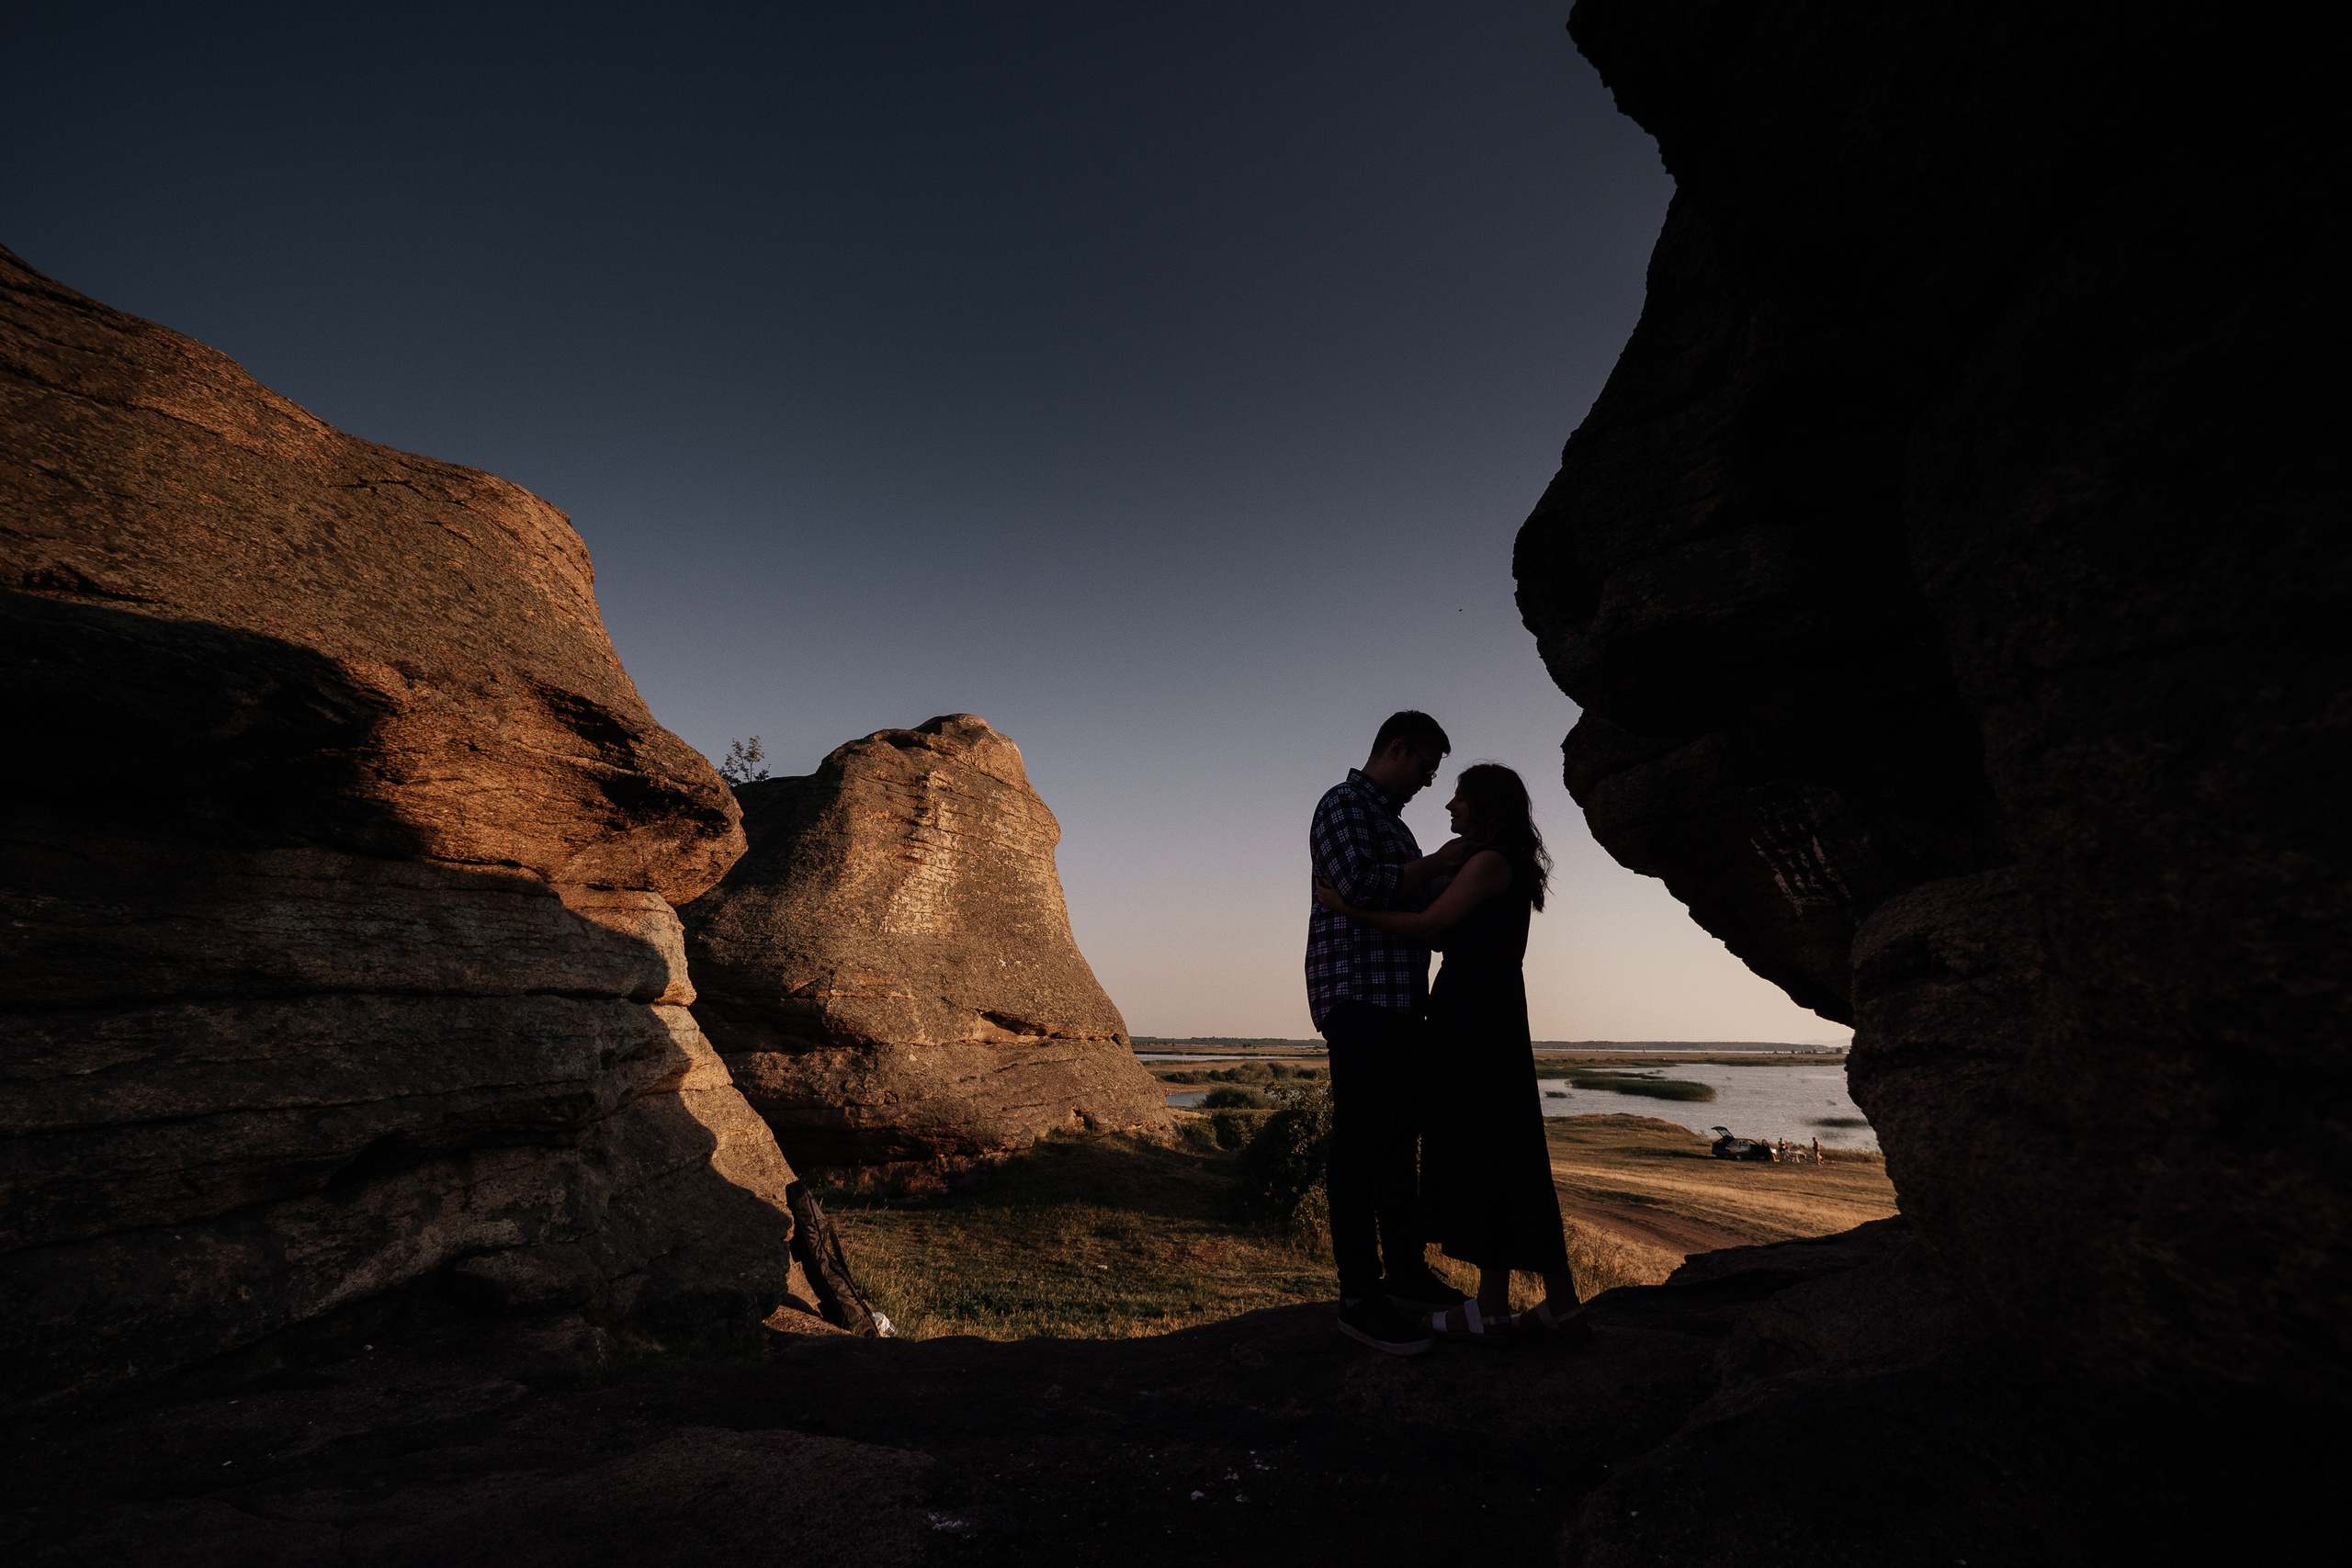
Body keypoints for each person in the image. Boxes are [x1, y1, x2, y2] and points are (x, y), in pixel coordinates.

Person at [1317, 761, 1587, 1342]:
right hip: (1484, 1007)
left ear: (1487, 807)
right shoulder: (1491, 861)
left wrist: (1348, 908)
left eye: (1460, 798)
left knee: (1490, 1144)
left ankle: (1495, 1307)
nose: (1449, 806)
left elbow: (1428, 926)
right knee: (1502, 1145)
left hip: (1474, 1012)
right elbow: (1447, 930)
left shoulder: (1489, 862)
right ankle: (1549, 1300)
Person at [1307, 710, 1472, 1356]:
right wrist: (1439, 862)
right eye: (1426, 768)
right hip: (1359, 997)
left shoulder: (1393, 824)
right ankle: (1359, 1297)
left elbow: (1414, 912)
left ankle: (1402, 1273)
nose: (1428, 783)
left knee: (1399, 1143)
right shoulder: (1344, 803)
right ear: (1397, 748)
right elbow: (1356, 885)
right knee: (1360, 1146)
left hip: (1399, 1003)